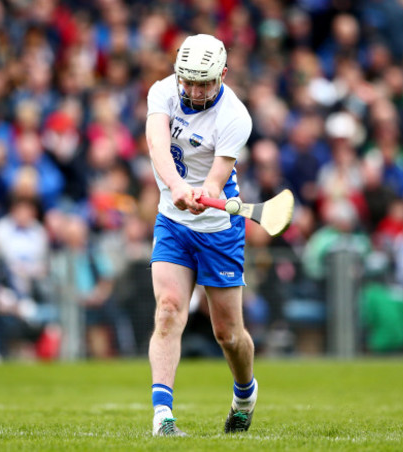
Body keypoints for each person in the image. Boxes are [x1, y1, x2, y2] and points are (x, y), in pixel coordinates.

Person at [145, 34, 256, 437]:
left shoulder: (235, 117)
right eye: (187, 81)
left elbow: (215, 182)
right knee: (169, 310)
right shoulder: (163, 92)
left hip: (217, 228)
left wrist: (202, 194)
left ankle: (244, 394)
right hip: (172, 221)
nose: (193, 91)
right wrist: (176, 188)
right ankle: (163, 418)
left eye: (204, 83)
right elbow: (157, 143)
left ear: (222, 75)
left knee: (227, 334)